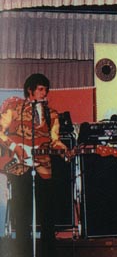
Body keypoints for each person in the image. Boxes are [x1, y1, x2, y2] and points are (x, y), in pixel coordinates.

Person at [0, 73, 67, 257]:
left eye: (46, 90)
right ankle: (22, 251)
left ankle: (48, 252)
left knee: (47, 211)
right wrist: (15, 147)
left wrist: (64, 149)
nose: (44, 93)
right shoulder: (14, 108)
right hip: (19, 163)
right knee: (22, 210)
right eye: (40, 89)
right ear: (30, 90)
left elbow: (55, 140)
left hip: (43, 164)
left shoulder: (51, 114)